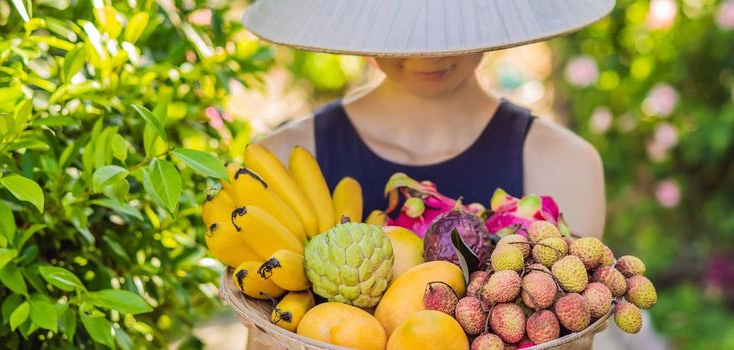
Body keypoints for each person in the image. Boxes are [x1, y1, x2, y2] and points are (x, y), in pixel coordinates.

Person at [239, 1, 659, 349]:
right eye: (402, 18)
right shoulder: (282, 158)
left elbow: (572, 335)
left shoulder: (565, 162)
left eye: (447, 20)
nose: (429, 52)